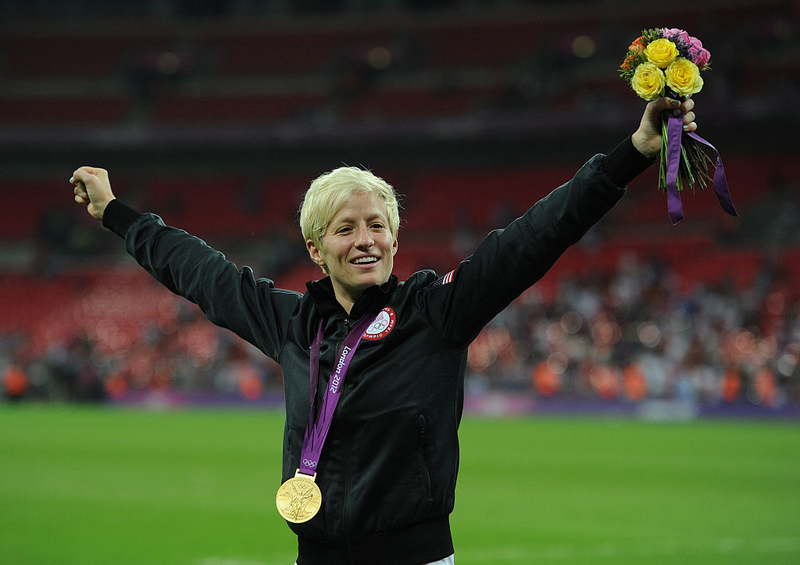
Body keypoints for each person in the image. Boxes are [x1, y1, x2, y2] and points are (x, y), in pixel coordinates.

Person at [71, 96, 697, 565]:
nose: (364, 240)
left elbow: (538, 234)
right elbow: (199, 273)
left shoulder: (436, 312)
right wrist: (117, 214)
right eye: (345, 229)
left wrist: (633, 155)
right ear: (317, 250)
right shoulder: (293, 325)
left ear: (396, 238)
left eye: (377, 225)